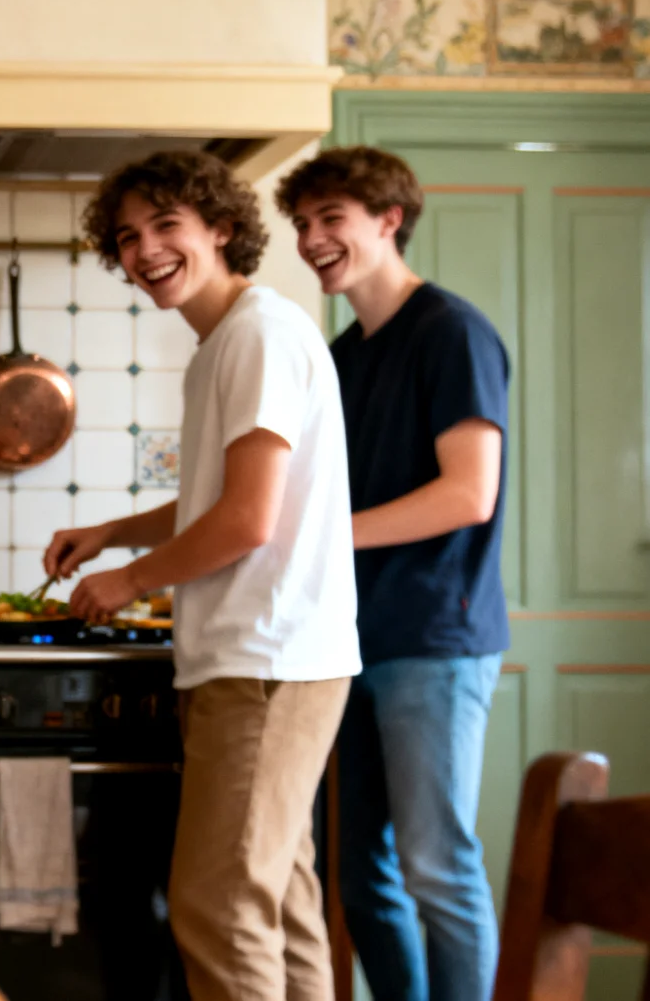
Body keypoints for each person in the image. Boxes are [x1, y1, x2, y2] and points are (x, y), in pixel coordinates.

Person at [43, 151, 361, 1000]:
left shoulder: (258, 333)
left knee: (217, 906)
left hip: (265, 659)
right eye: (127, 237)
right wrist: (113, 533)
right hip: (270, 657)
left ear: (221, 228)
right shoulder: (231, 340)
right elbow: (223, 497)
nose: (145, 250)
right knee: (279, 903)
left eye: (165, 225)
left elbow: (248, 518)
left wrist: (131, 578)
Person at [279, 146, 509, 1001]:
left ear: (390, 219)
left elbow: (469, 493)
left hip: (434, 639)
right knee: (359, 874)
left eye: (331, 218)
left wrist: (321, 538)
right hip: (350, 639)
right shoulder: (344, 355)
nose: (312, 238)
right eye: (303, 223)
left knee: (436, 865)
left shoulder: (451, 331)